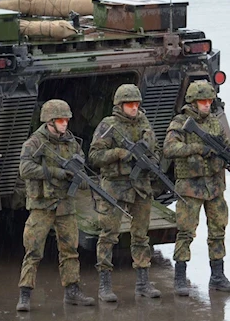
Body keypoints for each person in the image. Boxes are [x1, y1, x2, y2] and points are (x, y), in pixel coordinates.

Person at [16, 99, 95, 311]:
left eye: (66, 120)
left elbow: (81, 165)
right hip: (42, 205)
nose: (65, 124)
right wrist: (55, 172)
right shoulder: (34, 143)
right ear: (49, 121)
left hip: (65, 206)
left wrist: (84, 182)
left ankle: (72, 290)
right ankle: (25, 294)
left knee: (70, 250)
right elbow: (25, 169)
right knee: (33, 250)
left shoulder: (72, 143)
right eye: (60, 120)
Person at [163, 80, 230, 296]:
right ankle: (180, 277)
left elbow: (227, 149)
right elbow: (169, 148)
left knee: (218, 230)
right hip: (190, 187)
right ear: (193, 102)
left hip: (214, 187)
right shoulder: (180, 122)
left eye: (209, 101)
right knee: (186, 232)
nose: (206, 104)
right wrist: (198, 148)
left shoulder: (215, 123)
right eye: (202, 101)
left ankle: (218, 276)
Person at [89, 84, 161, 302]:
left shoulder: (144, 124)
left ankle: (142, 283)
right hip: (115, 187)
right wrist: (119, 153)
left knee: (141, 236)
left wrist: (152, 162)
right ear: (120, 105)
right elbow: (94, 156)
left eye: (137, 104)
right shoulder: (108, 126)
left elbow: (156, 150)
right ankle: (104, 285)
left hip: (140, 187)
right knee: (108, 235)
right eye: (130, 104)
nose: (134, 108)